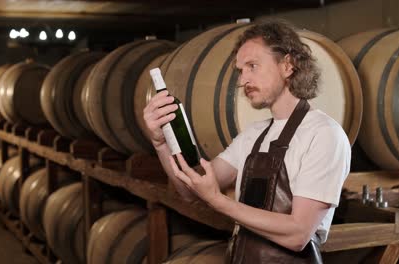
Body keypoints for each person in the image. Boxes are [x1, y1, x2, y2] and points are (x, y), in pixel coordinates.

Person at [143, 19, 350, 263]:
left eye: (252, 66)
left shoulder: (324, 134)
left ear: (288, 65)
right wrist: (161, 143)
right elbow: (191, 189)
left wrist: (217, 200)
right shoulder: (253, 134)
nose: (242, 81)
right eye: (241, 70)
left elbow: (298, 234)